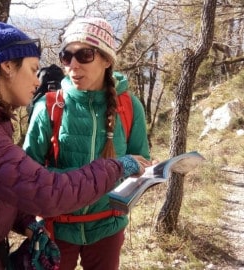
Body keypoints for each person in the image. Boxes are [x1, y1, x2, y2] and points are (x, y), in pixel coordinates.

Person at [0, 21, 140, 269]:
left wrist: (27, 221)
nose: (38, 81)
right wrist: (115, 168)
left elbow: (1, 188)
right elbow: (45, 191)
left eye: (84, 55)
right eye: (32, 69)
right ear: (7, 66)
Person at [23, 17, 152, 270]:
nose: (73, 64)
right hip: (56, 230)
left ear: (106, 59)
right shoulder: (48, 108)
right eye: (66, 56)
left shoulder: (128, 107)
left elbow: (140, 163)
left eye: (84, 54)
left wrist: (148, 172)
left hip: (108, 228)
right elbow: (28, 174)